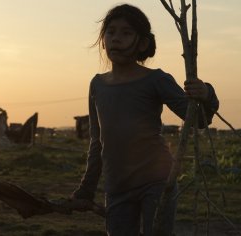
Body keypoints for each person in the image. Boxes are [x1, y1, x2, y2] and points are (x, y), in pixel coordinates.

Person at [70, 4, 219, 236]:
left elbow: (198, 120)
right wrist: (86, 190)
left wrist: (207, 94)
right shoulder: (97, 85)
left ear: (142, 43)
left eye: (126, 33)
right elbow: (97, 141)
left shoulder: (156, 80)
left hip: (156, 181)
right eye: (111, 32)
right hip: (117, 185)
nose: (116, 39)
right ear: (102, 39)